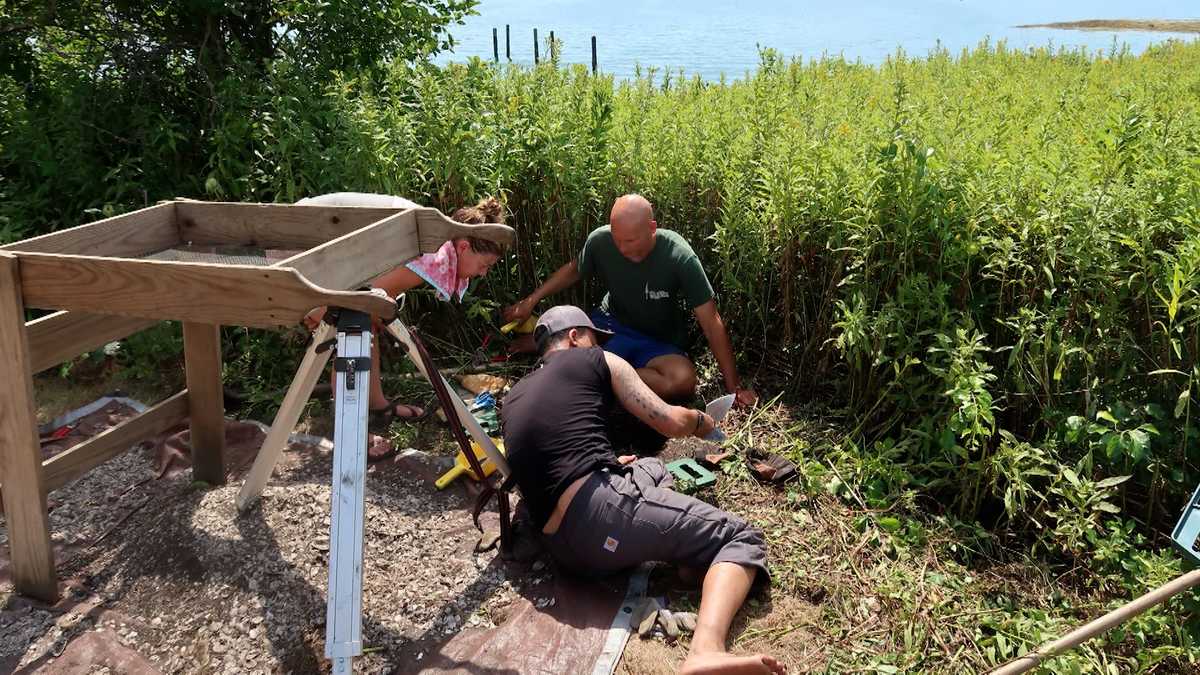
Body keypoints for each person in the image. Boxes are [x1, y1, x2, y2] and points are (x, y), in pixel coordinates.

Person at [502, 305, 784, 675]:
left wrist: (610, 464)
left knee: (650, 466)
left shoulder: (515, 396)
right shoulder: (596, 360)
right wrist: (702, 421)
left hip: (565, 551)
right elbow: (669, 421)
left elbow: (553, 459)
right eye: (594, 339)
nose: (600, 347)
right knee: (740, 538)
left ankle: (683, 555)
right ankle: (706, 650)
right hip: (601, 516)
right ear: (574, 337)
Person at [502, 194, 756, 407]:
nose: (623, 248)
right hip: (610, 328)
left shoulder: (679, 256)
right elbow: (574, 269)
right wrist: (531, 300)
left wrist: (733, 387)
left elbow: (711, 322)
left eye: (631, 241)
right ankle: (562, 353)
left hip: (658, 343)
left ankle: (594, 373)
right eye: (618, 240)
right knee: (571, 348)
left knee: (682, 380)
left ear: (652, 228)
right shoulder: (601, 241)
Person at [300, 193, 507, 427]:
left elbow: (375, 296)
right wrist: (321, 309)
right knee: (354, 324)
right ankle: (351, 429)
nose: (483, 273)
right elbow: (363, 300)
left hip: (325, 238)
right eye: (484, 265)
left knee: (366, 321)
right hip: (304, 240)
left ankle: (376, 406)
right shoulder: (434, 256)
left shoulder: (436, 241)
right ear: (464, 247)